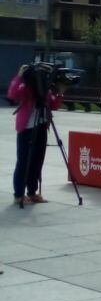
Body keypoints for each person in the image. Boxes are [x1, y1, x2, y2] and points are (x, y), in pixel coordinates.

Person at [9, 64, 63, 205]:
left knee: (37, 162)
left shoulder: (45, 89)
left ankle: (32, 192)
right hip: (27, 128)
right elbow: (12, 94)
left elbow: (54, 105)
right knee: (23, 162)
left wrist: (60, 92)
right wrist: (19, 76)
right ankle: (18, 195)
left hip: (41, 127)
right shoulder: (26, 86)